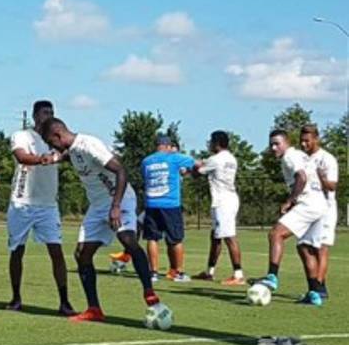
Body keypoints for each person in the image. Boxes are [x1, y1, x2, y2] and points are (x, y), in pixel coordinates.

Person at [39, 118, 165, 322]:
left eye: (50, 142)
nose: (50, 146)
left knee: (128, 240)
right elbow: (68, 155)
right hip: (98, 206)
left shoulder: (90, 145)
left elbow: (120, 170)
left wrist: (116, 206)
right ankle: (94, 309)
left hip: (120, 199)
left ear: (58, 135)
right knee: (82, 254)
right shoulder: (71, 149)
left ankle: (148, 291)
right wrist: (53, 158)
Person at [7, 100, 73, 314]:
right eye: (45, 112)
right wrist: (41, 159)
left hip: (47, 205)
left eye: (52, 112)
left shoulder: (55, 138)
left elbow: (68, 153)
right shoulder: (23, 136)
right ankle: (16, 298)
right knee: (17, 251)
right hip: (22, 202)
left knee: (56, 251)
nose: (48, 116)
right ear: (35, 115)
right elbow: (21, 156)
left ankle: (64, 301)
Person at [253, 129, 327, 306]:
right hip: (320, 204)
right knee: (305, 248)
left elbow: (301, 178)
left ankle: (272, 277)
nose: (273, 147)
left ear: (286, 143)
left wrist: (290, 201)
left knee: (275, 234)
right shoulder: (301, 155)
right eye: (271, 144)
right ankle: (314, 293)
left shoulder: (289, 156)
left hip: (308, 203)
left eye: (277, 143)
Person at [139, 135, 195, 282]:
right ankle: (179, 273)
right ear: (169, 146)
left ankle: (153, 273)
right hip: (170, 204)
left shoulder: (146, 161)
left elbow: (145, 178)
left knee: (152, 238)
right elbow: (194, 164)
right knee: (176, 239)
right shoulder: (174, 158)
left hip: (151, 203)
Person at [191, 131, 244, 284]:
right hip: (228, 198)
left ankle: (238, 275)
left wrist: (196, 166)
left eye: (211, 142)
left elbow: (196, 173)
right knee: (215, 236)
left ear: (217, 143)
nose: (209, 144)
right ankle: (209, 272)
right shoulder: (232, 158)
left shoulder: (215, 159)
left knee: (229, 236)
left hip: (223, 201)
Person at [298, 124, 338, 301]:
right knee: (304, 246)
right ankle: (316, 287)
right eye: (301, 140)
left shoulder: (327, 159)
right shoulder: (304, 159)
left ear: (316, 139)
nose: (303, 143)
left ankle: (319, 288)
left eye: (307, 140)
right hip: (310, 207)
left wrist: (322, 178)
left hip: (326, 208)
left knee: (321, 248)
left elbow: (332, 186)